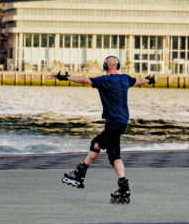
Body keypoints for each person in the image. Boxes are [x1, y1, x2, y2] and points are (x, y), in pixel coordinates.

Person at [51, 55, 154, 204]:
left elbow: (85, 80)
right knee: (97, 144)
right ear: (117, 66)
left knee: (114, 156)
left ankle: (124, 188)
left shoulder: (103, 81)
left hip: (113, 123)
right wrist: (150, 80)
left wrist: (65, 77)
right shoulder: (125, 79)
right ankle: (80, 173)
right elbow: (139, 81)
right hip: (121, 122)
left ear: (105, 66)